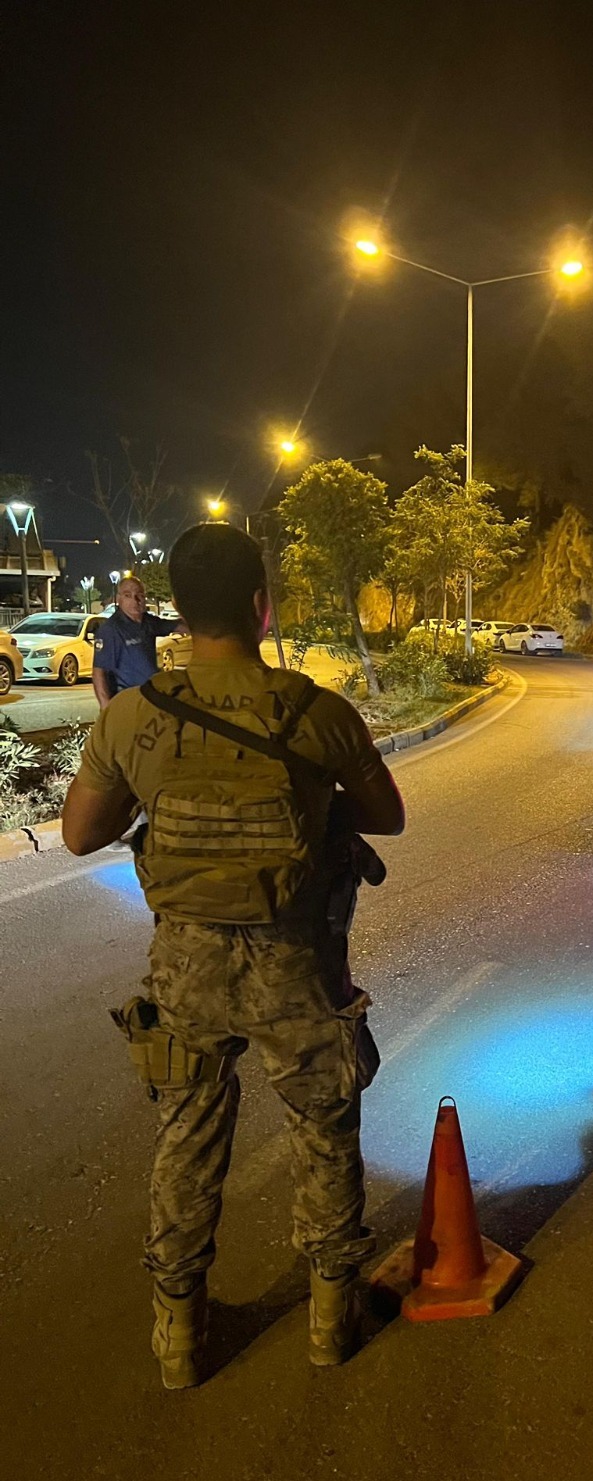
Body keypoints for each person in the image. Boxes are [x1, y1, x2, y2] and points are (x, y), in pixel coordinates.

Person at [62, 523, 405, 1389]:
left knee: (186, 1135)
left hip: (187, 970)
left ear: (177, 611)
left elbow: (77, 836)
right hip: (296, 960)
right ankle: (332, 1317)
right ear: (263, 607)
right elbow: (385, 816)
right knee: (324, 1128)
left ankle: (179, 1337)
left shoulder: (137, 716)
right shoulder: (316, 711)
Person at [93, 576, 180, 709]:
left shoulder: (148, 622)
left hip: (150, 698)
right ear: (118, 599)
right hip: (127, 701)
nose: (135, 600)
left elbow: (179, 626)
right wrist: (106, 708)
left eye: (139, 595)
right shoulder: (111, 630)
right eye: (128, 595)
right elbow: (99, 671)